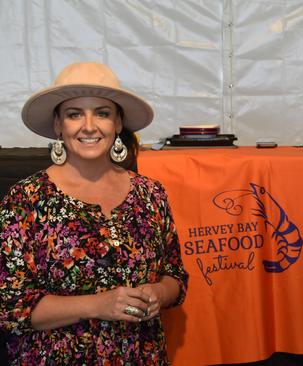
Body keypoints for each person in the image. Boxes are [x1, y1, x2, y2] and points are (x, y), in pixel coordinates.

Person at [0, 61, 188, 364]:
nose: (89, 126)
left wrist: (157, 293)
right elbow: (11, 306)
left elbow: (176, 277)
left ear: (117, 123)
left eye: (102, 113)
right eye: (75, 114)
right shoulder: (25, 200)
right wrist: (99, 305)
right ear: (59, 125)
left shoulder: (151, 193)